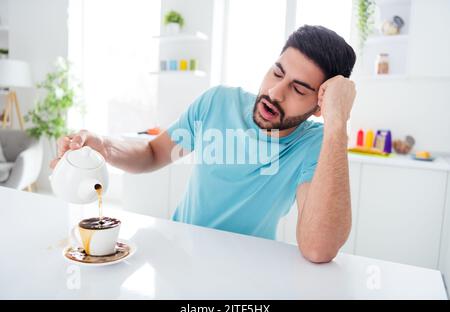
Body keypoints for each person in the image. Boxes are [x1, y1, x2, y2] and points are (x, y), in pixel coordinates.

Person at [51, 25, 357, 263]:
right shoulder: (217, 102)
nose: (275, 92)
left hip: (249, 268)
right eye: (277, 72)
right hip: (178, 254)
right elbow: (153, 153)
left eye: (298, 88)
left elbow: (318, 249)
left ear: (320, 104)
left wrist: (337, 123)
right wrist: (102, 145)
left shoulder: (314, 143)